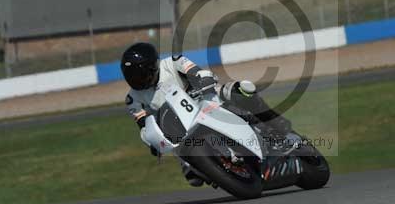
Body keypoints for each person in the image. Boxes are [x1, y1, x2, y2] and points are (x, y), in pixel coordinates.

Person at [120, 42, 292, 186]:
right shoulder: (132, 99)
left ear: (153, 67)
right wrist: (152, 141)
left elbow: (195, 71)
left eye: (140, 75)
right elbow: (143, 126)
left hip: (204, 98)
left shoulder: (173, 62)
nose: (137, 81)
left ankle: (275, 128)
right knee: (193, 178)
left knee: (241, 91)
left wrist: (203, 80)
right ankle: (221, 170)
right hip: (180, 129)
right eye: (131, 77)